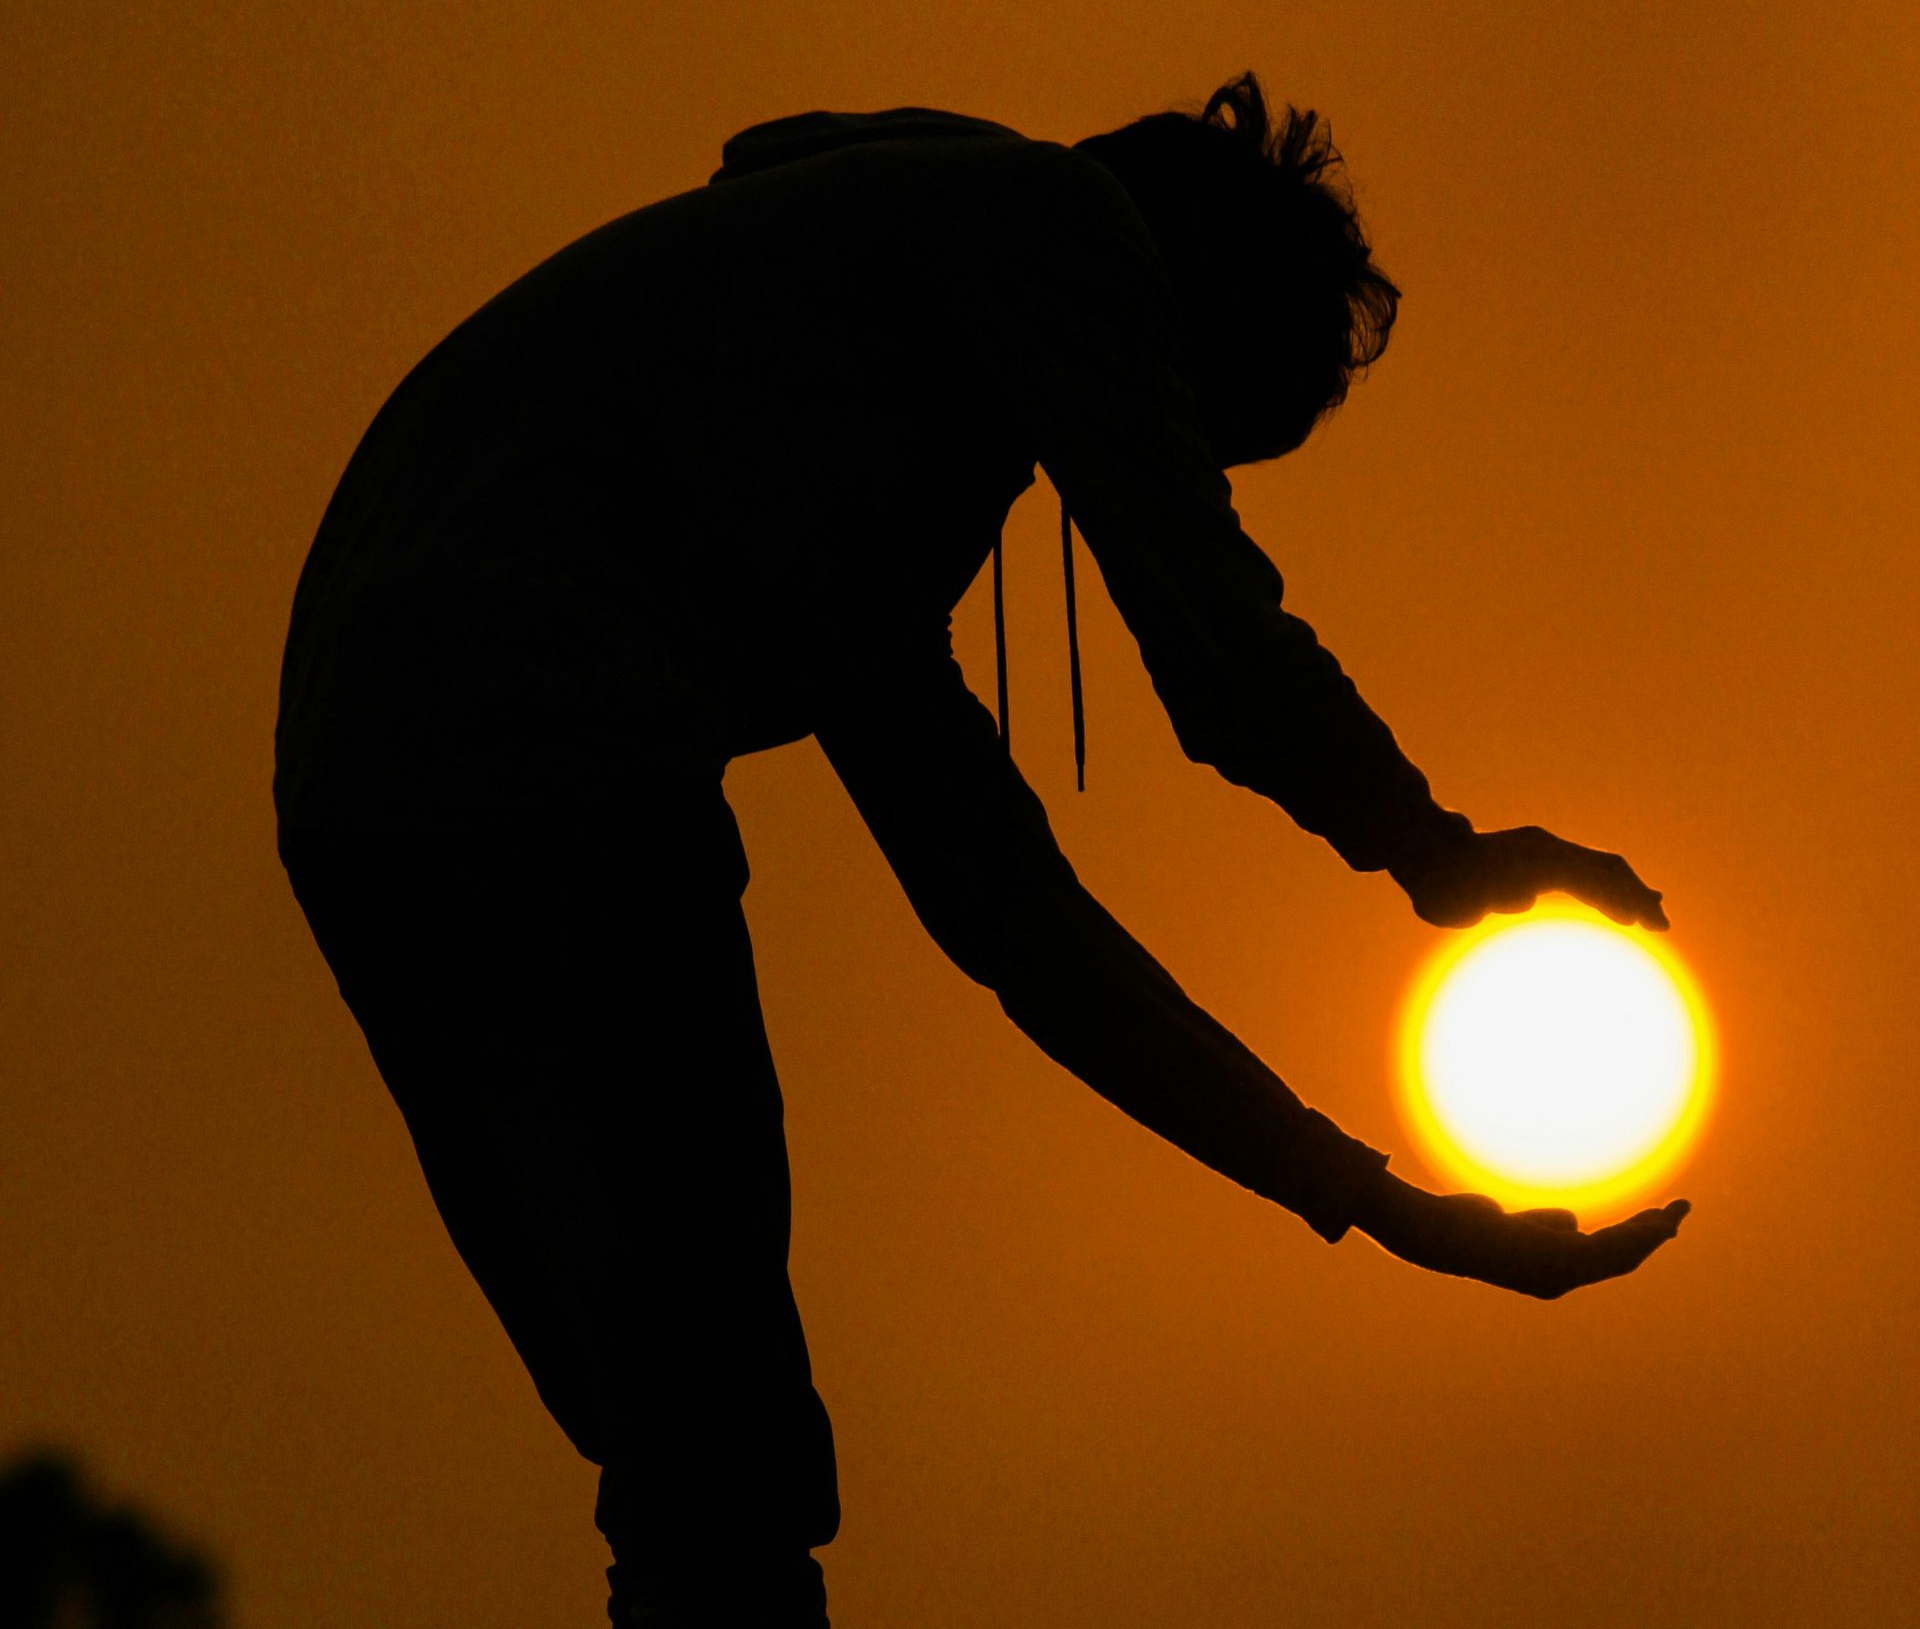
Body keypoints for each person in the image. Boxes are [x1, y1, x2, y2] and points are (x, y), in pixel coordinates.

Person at [273, 71, 1688, 1627]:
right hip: (533, 750)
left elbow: (1020, 929)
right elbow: (1218, 661)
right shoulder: (1050, 221)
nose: (1136, 475)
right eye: (1188, 432)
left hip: (361, 792)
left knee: (690, 1434)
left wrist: (1359, 1192)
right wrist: (1435, 854)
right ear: (1180, 315)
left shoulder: (818, 447)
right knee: (714, 1441)